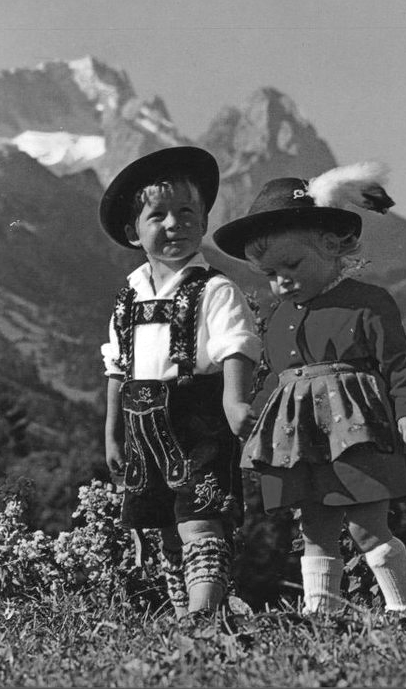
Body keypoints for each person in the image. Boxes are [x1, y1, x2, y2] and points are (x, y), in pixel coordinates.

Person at [213, 162, 406, 616]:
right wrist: (257, 410)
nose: (281, 281)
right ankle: (322, 611)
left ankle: (403, 610)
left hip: (357, 432)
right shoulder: (279, 318)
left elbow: (401, 362)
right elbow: (280, 377)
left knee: (367, 523)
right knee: (314, 523)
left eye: (291, 266)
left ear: (331, 248)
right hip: (303, 438)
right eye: (270, 273)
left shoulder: (366, 303)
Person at [99, 147, 260, 618]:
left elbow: (237, 344)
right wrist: (112, 432)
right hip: (142, 424)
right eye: (158, 215)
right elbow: (118, 365)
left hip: (199, 419)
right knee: (165, 526)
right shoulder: (128, 295)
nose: (175, 224)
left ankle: (202, 619)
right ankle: (185, 616)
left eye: (187, 212)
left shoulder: (214, 288)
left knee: (201, 520)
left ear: (205, 219)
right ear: (133, 232)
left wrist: (235, 401)